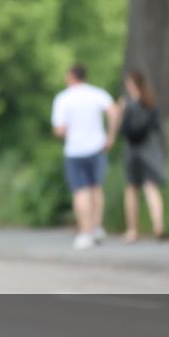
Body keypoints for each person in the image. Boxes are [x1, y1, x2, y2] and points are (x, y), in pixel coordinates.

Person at [51, 64, 119, 249]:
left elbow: (59, 129)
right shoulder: (97, 94)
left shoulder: (63, 99)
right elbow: (113, 111)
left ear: (71, 77)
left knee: (80, 191)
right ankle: (96, 226)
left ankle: (85, 232)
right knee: (96, 187)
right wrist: (110, 136)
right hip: (97, 147)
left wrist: (68, 132)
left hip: (75, 150)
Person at [117, 70, 166, 242]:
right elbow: (156, 126)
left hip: (134, 149)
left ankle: (132, 230)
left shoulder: (128, 105)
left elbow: (124, 130)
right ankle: (158, 225)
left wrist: (120, 113)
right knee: (151, 188)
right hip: (150, 148)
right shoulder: (151, 103)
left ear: (131, 84)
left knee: (132, 189)